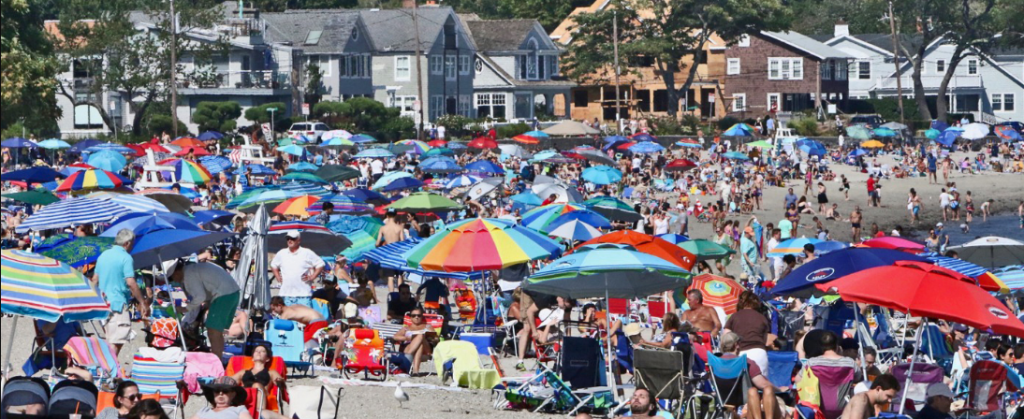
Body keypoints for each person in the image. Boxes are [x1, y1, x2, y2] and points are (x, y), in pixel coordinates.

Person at [167, 261, 241, 358]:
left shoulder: (189, 275)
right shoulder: (191, 269)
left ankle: (216, 361)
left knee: (213, 330)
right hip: (231, 292)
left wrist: (185, 308)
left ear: (176, 273)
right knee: (217, 331)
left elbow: (200, 296)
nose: (175, 281)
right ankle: (218, 358)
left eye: (172, 279)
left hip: (224, 295)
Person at [96, 229, 149, 354]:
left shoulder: (103, 255)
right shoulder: (126, 257)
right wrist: (142, 302)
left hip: (103, 302)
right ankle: (109, 369)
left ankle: (109, 368)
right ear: (128, 243)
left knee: (110, 339)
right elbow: (130, 282)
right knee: (117, 340)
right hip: (117, 303)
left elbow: (94, 279)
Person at [719, 332, 783, 419]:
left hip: (723, 406)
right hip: (746, 406)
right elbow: (763, 384)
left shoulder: (714, 363)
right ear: (736, 345)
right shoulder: (746, 362)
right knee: (763, 390)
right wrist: (780, 390)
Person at [270, 231, 325, 307]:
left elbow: (320, 264)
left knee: (305, 318)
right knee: (286, 318)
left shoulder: (306, 252)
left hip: (303, 295)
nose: (290, 240)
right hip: (286, 295)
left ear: (299, 240)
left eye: (293, 238)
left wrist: (312, 277)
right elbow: (273, 265)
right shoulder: (282, 253)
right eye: (288, 238)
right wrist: (277, 276)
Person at [724, 292, 771, 374]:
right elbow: (765, 340)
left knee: (742, 384)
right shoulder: (762, 318)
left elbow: (726, 337)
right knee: (762, 383)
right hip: (759, 352)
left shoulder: (735, 316)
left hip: (741, 353)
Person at [393, 308, 439, 376]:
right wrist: (407, 338)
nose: (416, 317)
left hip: (426, 351)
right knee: (419, 345)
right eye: (414, 315)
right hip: (410, 347)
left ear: (422, 316)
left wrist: (427, 337)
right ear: (410, 317)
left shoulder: (428, 326)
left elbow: (435, 339)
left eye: (419, 315)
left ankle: (406, 361)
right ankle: (415, 371)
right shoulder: (406, 328)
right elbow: (395, 337)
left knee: (420, 336)